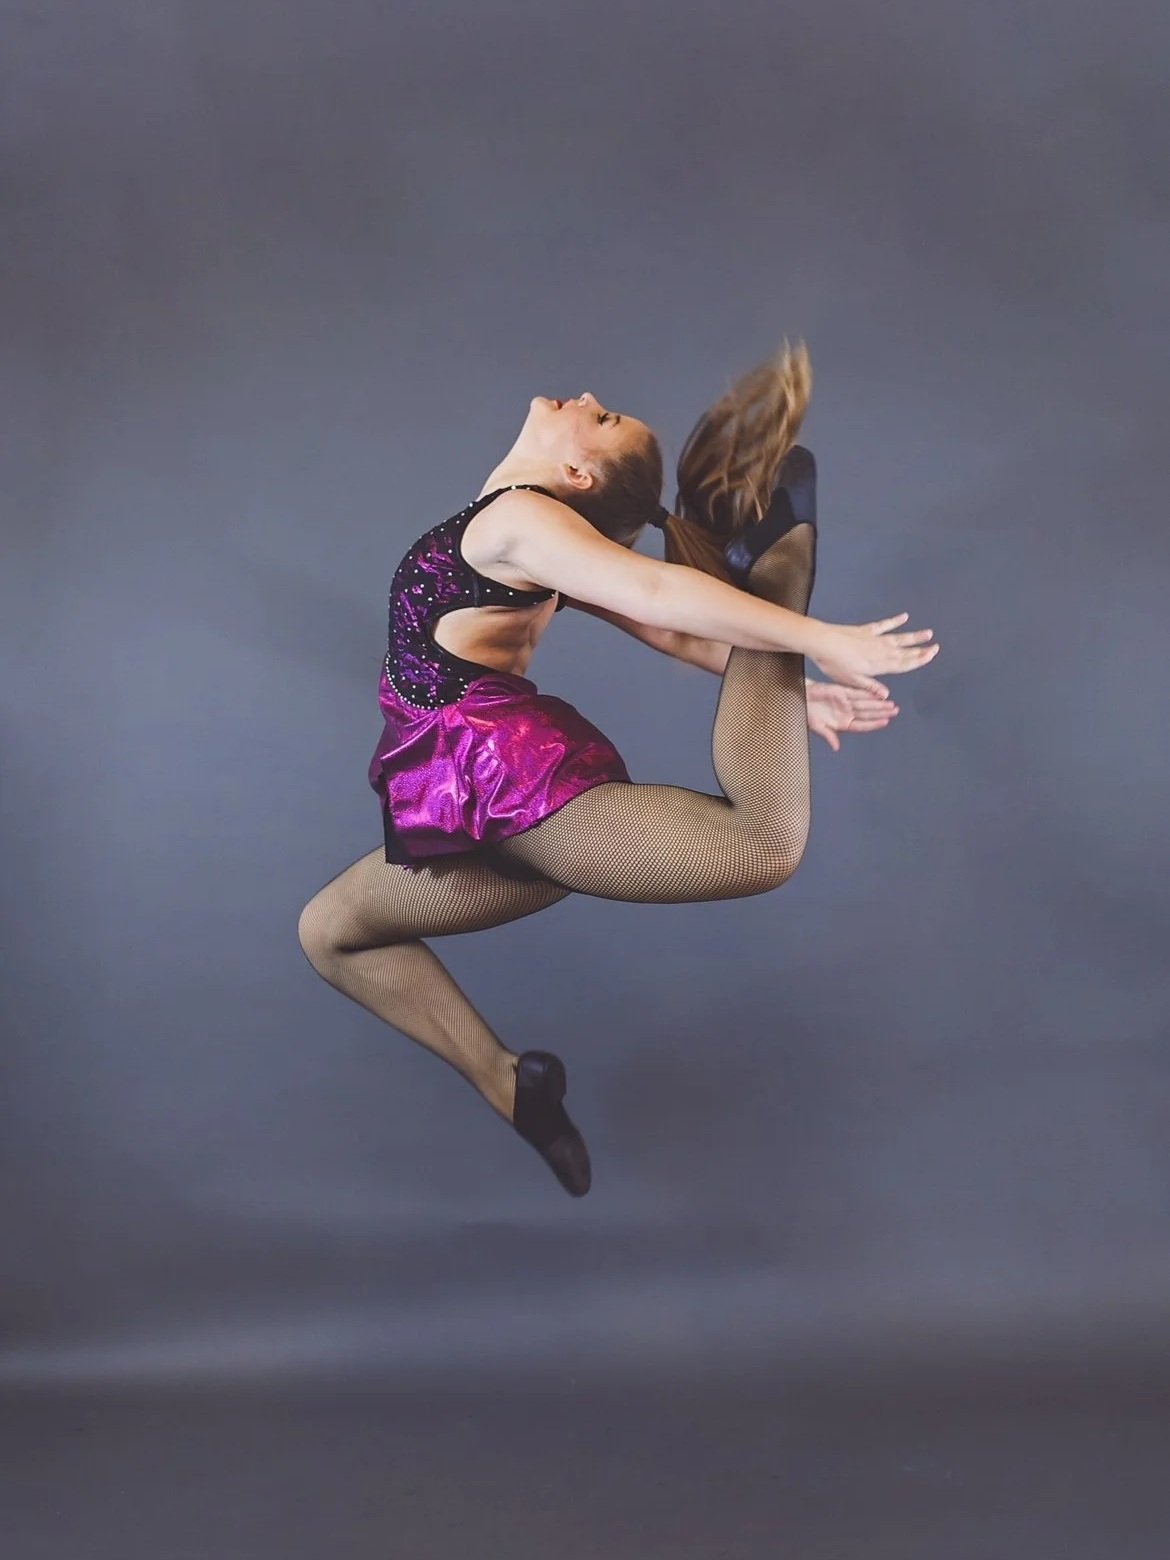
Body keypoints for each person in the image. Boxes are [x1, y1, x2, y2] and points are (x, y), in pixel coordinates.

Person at [297, 343, 940, 1197]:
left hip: (519, 797)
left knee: (761, 846)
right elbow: (672, 632)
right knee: (331, 933)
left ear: (577, 471)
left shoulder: (521, 522)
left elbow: (663, 603)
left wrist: (818, 644)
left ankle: (782, 559)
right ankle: (511, 1088)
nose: (591, 398)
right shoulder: (532, 528)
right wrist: (804, 697)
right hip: (472, 806)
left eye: (600, 421)